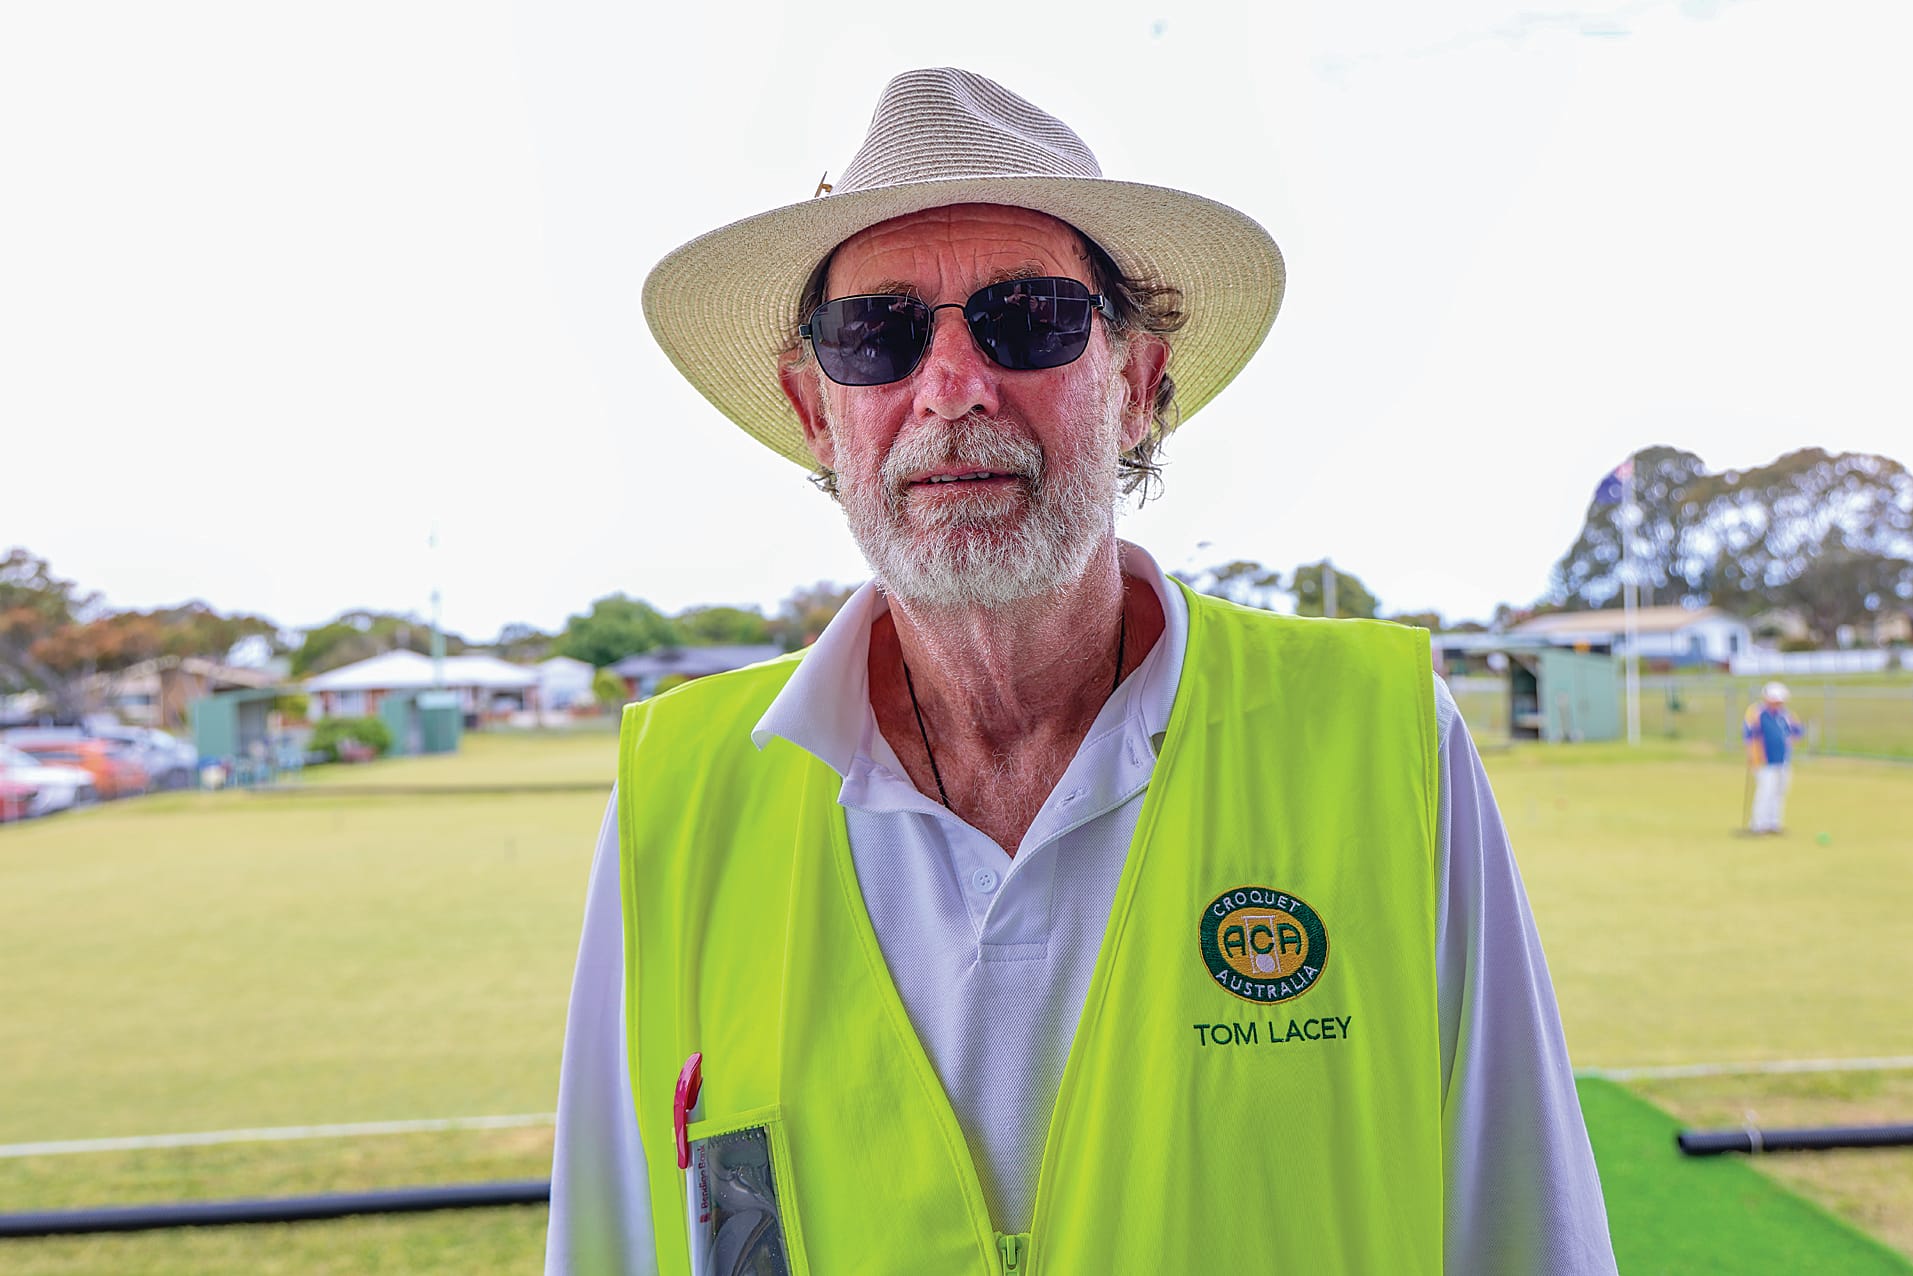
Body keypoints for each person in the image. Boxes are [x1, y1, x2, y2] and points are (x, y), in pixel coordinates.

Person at [547, 68, 1616, 1275]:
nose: (950, 387)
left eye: (1028, 317)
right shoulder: (678, 795)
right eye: (875, 335)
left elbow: (1530, 1233)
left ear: (1138, 385)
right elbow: (609, 1245)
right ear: (813, 410)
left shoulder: (1384, 740)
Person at [1744, 681, 1805, 834]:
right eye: (1775, 700)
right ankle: (1758, 825)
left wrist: (1792, 739)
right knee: (1765, 792)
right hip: (1764, 761)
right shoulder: (1757, 713)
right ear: (1767, 698)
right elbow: (1749, 735)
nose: (1778, 703)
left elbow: (1797, 731)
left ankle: (1773, 823)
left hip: (1783, 760)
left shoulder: (1786, 715)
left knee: (1779, 792)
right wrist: (1752, 754)